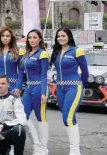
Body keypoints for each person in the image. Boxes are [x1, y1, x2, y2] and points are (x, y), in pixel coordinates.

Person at [49, 27, 89, 155]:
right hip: (59, 88)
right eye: (58, 36)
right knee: (68, 117)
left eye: (63, 36)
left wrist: (81, 85)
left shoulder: (77, 51)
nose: (60, 38)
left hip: (74, 87)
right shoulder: (56, 52)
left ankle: (75, 151)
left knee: (68, 117)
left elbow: (85, 71)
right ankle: (74, 148)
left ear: (69, 37)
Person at [20, 29, 50, 155]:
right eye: (30, 38)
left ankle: (44, 148)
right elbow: (22, 73)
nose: (32, 40)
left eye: (34, 37)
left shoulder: (42, 54)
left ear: (40, 39)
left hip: (39, 87)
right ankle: (36, 144)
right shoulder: (26, 54)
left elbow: (44, 75)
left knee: (40, 117)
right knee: (23, 116)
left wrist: (43, 92)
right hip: (28, 88)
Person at [0, 27, 24, 95]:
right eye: (3, 36)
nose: (5, 38)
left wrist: (18, 87)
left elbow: (21, 71)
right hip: (0, 85)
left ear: (11, 37)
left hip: (14, 85)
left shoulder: (19, 51)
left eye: (7, 36)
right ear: (0, 37)